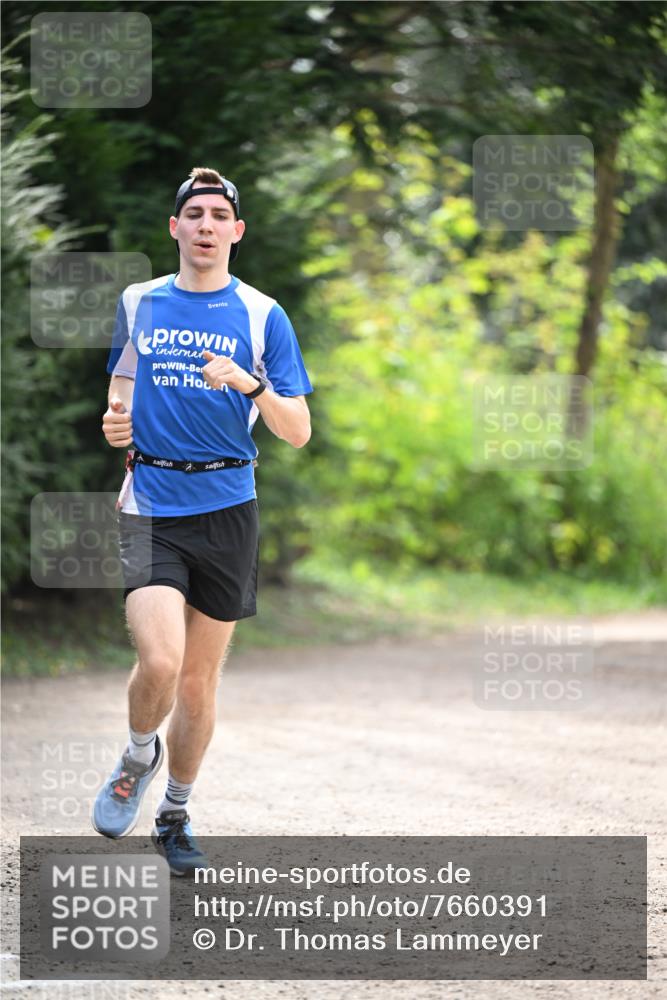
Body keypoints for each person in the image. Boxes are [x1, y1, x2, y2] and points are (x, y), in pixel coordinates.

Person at [92, 167, 313, 875]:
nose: (208, 225)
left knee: (197, 683)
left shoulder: (261, 315)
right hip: (151, 500)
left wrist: (250, 382)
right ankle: (135, 757)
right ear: (176, 229)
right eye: (196, 214)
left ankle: (175, 814)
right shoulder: (138, 301)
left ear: (236, 231)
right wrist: (115, 420)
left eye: (220, 215)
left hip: (228, 507)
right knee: (160, 661)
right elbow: (121, 390)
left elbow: (298, 429)